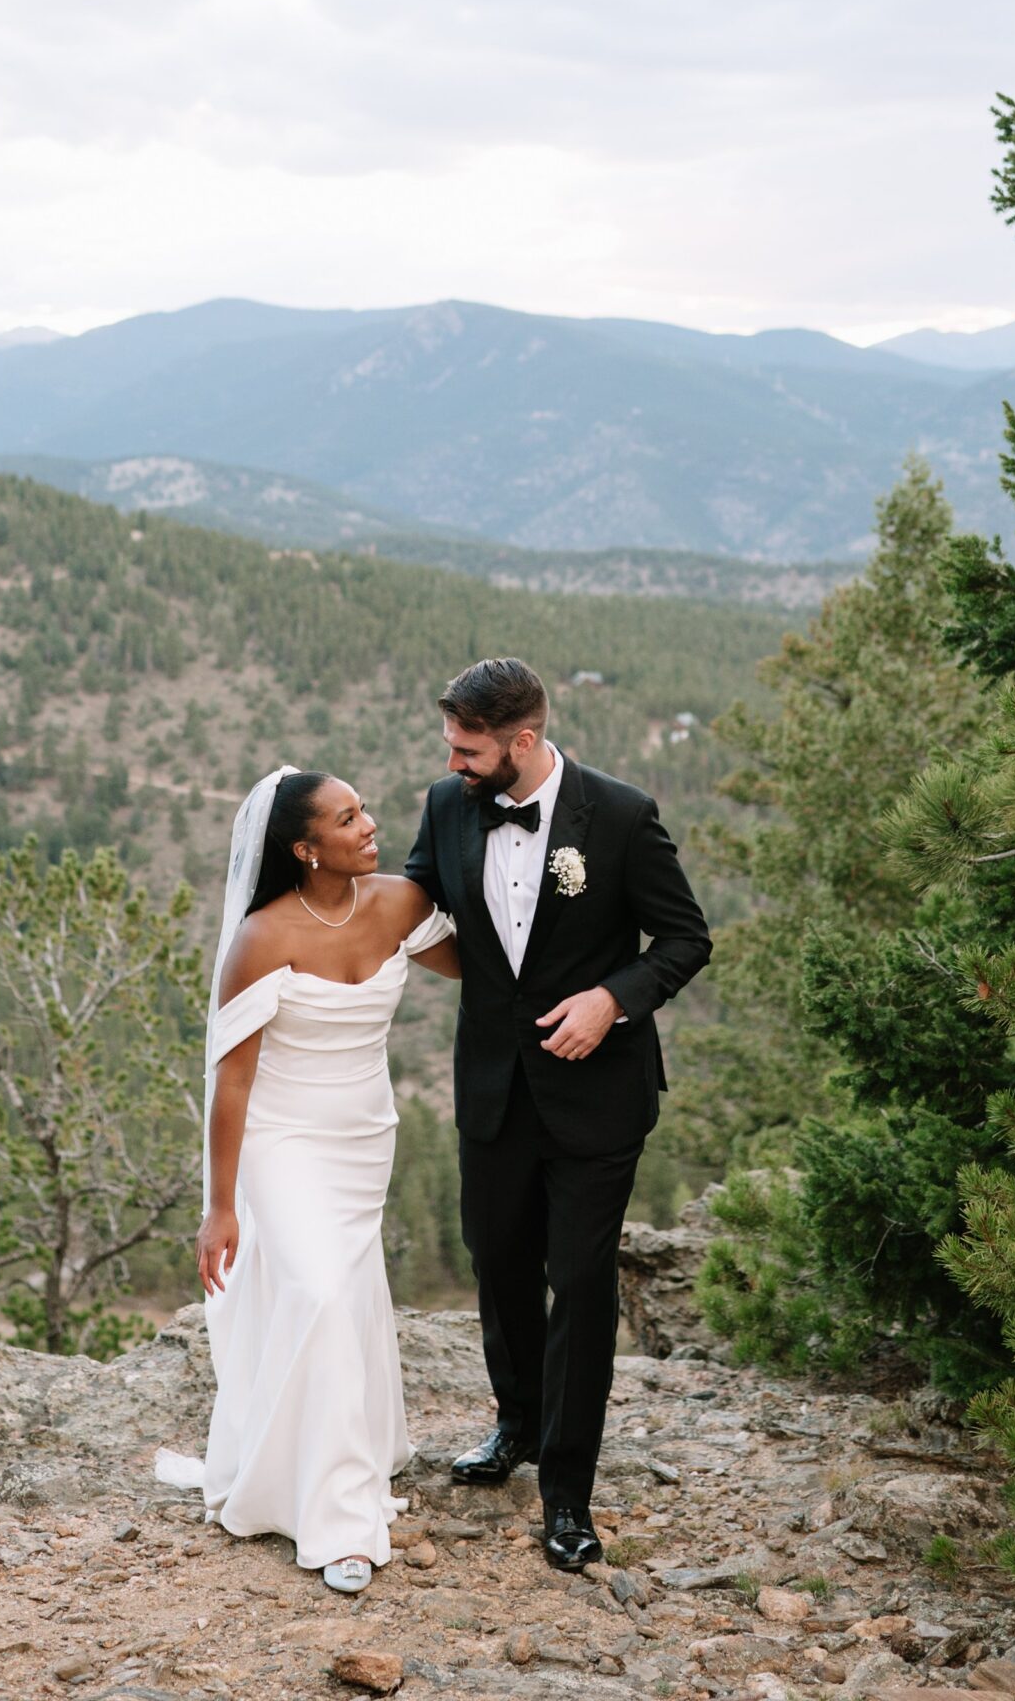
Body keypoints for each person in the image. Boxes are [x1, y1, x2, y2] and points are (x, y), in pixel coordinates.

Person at [403, 656, 711, 1573]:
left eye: (468, 748)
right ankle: (516, 1426)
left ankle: (567, 1491)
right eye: (450, 747)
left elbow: (685, 938)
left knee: (577, 1286)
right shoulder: (447, 803)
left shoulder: (617, 814)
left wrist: (608, 1001)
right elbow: (415, 902)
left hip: (595, 1095)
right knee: (498, 1265)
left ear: (523, 741)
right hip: (493, 1087)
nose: (453, 762)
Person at [161, 765, 460, 1596]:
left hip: (364, 1135)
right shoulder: (262, 938)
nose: (370, 826)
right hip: (280, 1139)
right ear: (304, 848)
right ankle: (339, 1521)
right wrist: (221, 1207)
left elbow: (483, 969)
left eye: (363, 809)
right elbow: (232, 1083)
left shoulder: (399, 903)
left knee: (343, 1291)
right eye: (347, 818)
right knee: (323, 1293)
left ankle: (326, 1452)